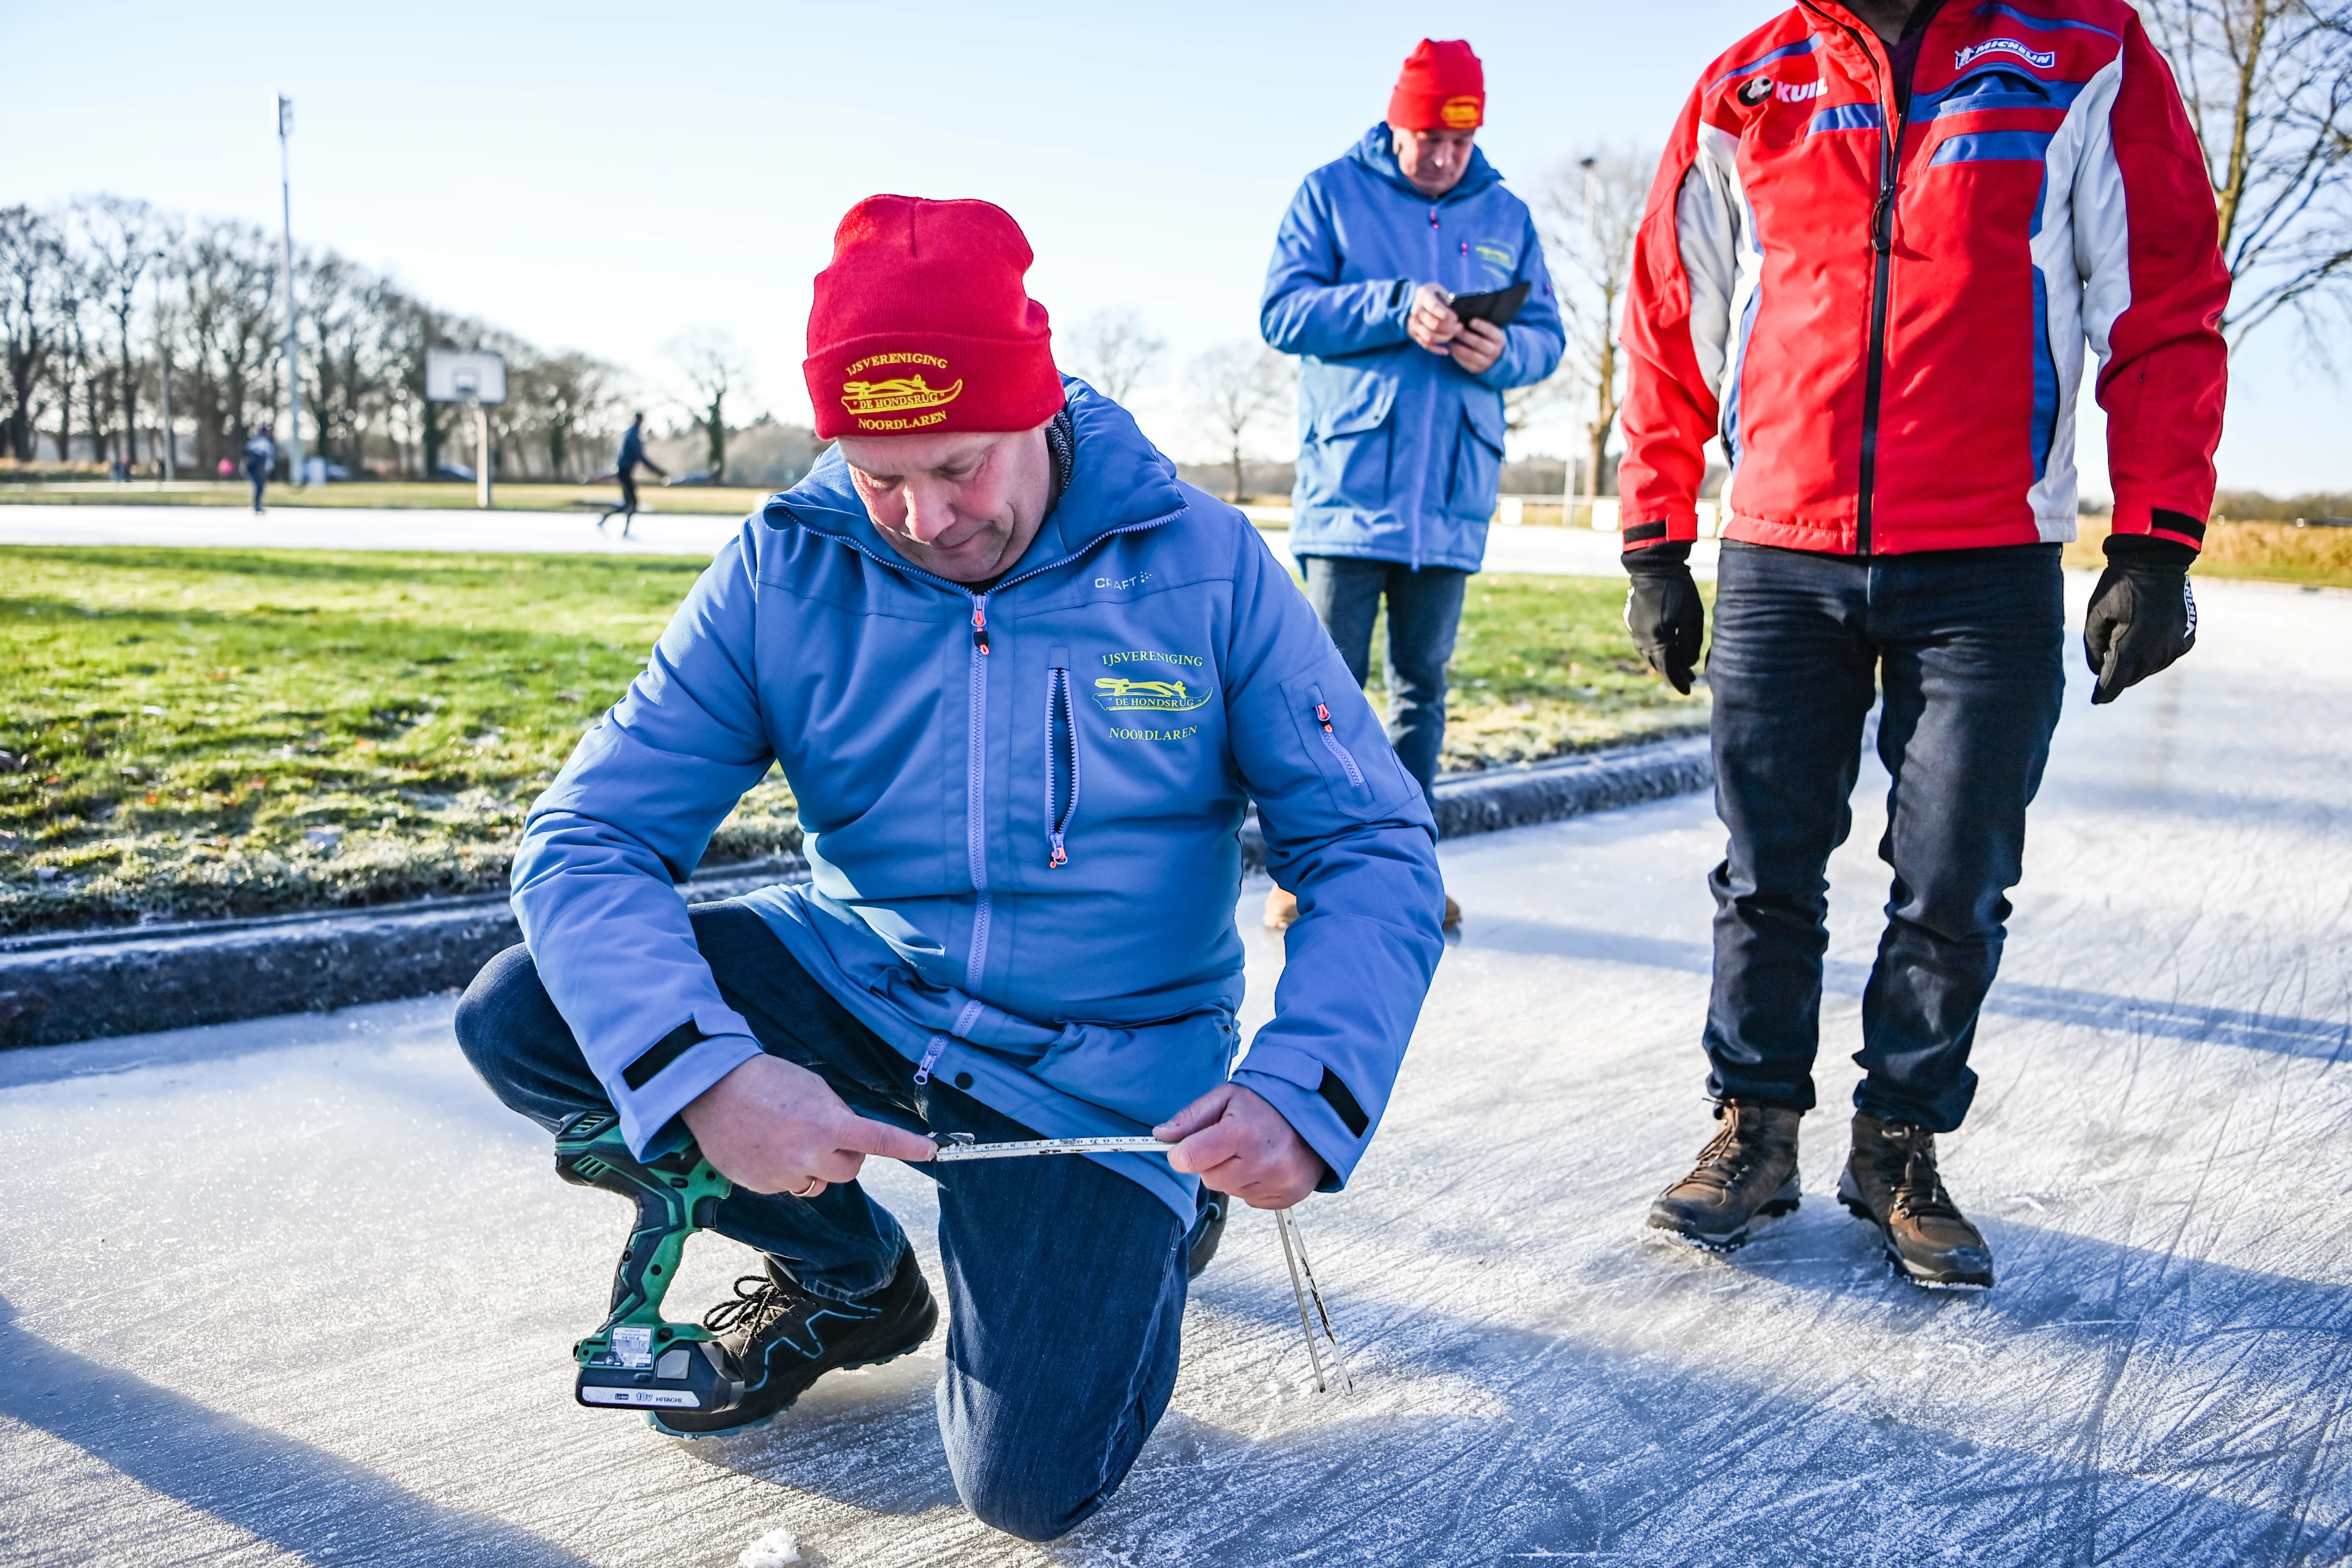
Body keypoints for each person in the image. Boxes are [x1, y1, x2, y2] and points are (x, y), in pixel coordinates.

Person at [454, 196, 1444, 1540]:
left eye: (960, 465)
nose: (923, 516)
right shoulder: (785, 567)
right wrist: (708, 1074)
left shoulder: (1202, 566)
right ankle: (849, 1276)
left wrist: (1306, 1090)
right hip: (864, 984)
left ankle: (1148, 1218)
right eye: (879, 475)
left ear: (1036, 406)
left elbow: (1369, 841)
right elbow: (590, 836)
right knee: (527, 1011)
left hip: (1104, 1068)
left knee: (1027, 1487)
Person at [1618, 0, 2228, 1288]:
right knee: (1767, 865)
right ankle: (1756, 1125)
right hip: (1782, 549)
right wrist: (1656, 541)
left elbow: (2164, 298)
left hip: (1987, 557)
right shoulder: (1747, 85)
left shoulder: (2081, 52)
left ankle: (1898, 1139)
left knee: (1956, 873)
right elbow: (1673, 314)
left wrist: (2156, 542)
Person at [1258, 38, 1566, 933]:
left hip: (1451, 502)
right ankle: (1305, 873)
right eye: (1430, 138)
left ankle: (1407, 873)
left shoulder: (1505, 212)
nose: (1445, 157)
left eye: (1462, 141)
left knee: (1421, 695)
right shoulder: (1330, 193)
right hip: (1350, 496)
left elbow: (1547, 335)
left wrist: (1506, 351)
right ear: (1398, 124)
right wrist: (1394, 305)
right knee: (1324, 696)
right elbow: (1282, 311)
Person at [608, 412, 667, 537]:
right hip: (624, 472)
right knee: (633, 502)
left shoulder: (632, 433)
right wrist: (658, 472)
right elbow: (641, 458)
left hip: (624, 472)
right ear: (640, 420)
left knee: (629, 503)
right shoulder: (633, 436)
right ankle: (624, 530)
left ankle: (608, 520)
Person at [240, 426, 276, 513]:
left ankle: (257, 505)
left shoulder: (254, 441)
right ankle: (257, 505)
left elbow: (245, 452)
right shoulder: (266, 443)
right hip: (255, 466)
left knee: (259, 485)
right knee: (260, 485)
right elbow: (268, 458)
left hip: (252, 466)